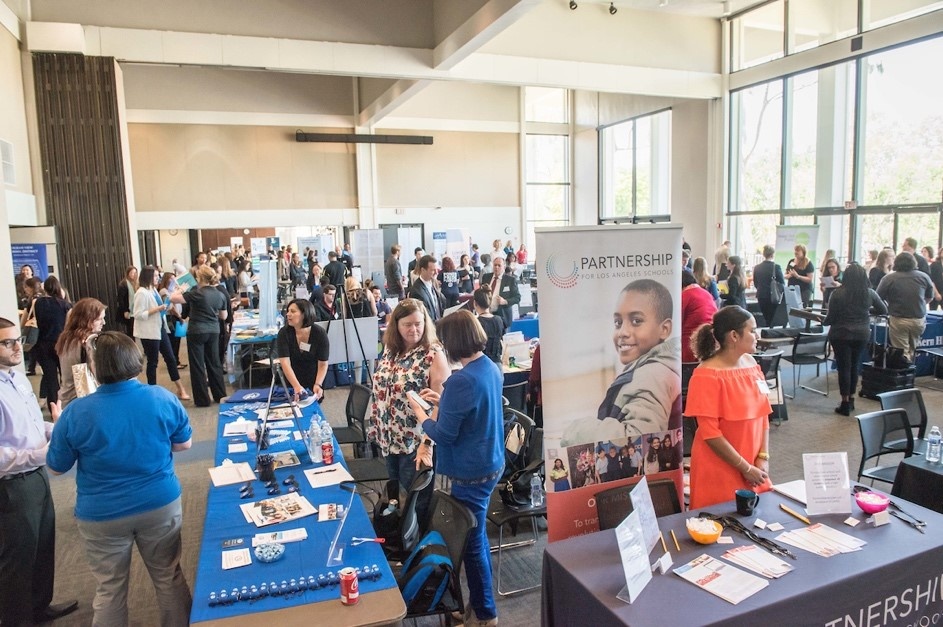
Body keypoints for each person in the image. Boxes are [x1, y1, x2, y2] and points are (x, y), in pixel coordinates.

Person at [47, 331, 192, 626]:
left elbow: (56, 467)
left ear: (95, 367)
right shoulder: (162, 397)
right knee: (168, 576)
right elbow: (183, 445)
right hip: (158, 502)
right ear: (136, 360)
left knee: (110, 589)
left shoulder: (75, 412)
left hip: (101, 513)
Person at [408, 309, 504, 627]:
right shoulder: (488, 367)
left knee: (473, 543)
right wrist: (443, 399)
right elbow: (472, 411)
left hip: (471, 471)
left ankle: (486, 613)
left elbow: (443, 434)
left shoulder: (461, 380)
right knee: (477, 538)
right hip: (490, 463)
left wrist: (421, 415)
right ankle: (480, 605)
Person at [0, 318, 79, 625]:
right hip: (12, 484)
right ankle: (17, 619)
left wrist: (53, 430)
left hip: (36, 474)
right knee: (17, 557)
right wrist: (40, 454)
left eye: (18, 339)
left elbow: (31, 424)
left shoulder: (17, 379)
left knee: (43, 544)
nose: (17, 346)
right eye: (7, 343)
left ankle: (39, 605)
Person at [368, 299, 450, 521]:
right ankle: (400, 542)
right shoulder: (390, 349)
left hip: (417, 442)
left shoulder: (433, 354)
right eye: (408, 324)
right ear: (396, 325)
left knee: (416, 504)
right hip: (389, 438)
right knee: (395, 498)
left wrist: (427, 443)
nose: (414, 329)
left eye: (419, 323)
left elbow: (442, 404)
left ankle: (417, 550)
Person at [685, 306, 772, 509]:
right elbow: (710, 432)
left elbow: (763, 415)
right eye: (752, 330)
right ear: (734, 335)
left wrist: (763, 457)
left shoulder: (751, 364)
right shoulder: (706, 374)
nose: (757, 335)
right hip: (720, 466)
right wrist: (745, 467)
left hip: (754, 463)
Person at [824, 264, 887, 415]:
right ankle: (851, 398)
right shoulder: (869, 293)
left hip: (840, 334)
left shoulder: (837, 294)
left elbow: (830, 318)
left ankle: (844, 402)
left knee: (843, 367)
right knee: (854, 366)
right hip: (861, 334)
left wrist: (823, 321)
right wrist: (866, 311)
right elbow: (883, 310)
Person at [170, 265, 228, 407]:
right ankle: (220, 394)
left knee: (198, 366)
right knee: (214, 363)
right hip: (213, 331)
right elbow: (223, 315)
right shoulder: (220, 294)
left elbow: (173, 298)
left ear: (199, 278)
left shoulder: (197, 293)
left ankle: (202, 400)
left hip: (197, 331)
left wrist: (180, 289)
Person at [133, 266, 189, 400]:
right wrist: (157, 309)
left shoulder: (153, 290)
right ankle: (152, 393)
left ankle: (180, 389)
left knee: (170, 358)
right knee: (153, 362)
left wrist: (167, 304)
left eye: (158, 275)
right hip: (149, 332)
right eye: (155, 276)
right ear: (147, 277)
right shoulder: (141, 292)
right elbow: (138, 314)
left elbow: (164, 307)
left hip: (160, 328)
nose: (157, 278)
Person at [876, 252, 934, 363]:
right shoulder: (923, 276)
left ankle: (905, 374)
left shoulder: (889, 278)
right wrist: (919, 304)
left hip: (898, 319)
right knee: (912, 349)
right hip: (918, 320)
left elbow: (878, 298)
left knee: (902, 352)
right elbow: (929, 297)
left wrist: (889, 305)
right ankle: (910, 369)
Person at [55, 298, 107, 409]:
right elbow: (98, 374)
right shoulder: (88, 341)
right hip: (84, 398)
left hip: (66, 396)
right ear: (87, 319)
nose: (104, 323)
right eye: (99, 319)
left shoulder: (66, 338)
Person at [276, 299, 330, 401]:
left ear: (304, 314)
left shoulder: (319, 334)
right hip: (291, 380)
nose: (288, 314)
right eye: (288, 311)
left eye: (293, 311)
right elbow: (285, 363)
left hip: (315, 379)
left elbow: (323, 363)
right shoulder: (284, 333)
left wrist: (318, 384)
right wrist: (296, 386)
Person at [33, 276, 72, 407]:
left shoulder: (37, 303)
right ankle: (67, 404)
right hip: (61, 344)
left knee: (50, 378)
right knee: (65, 377)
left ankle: (54, 407)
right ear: (58, 288)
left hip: (43, 344)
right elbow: (68, 327)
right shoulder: (66, 305)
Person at [681, 270, 717, 362]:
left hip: (690, 345)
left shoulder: (685, 296)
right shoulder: (706, 293)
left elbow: (676, 321)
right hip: (710, 341)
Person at [479, 256, 520, 328]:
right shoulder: (486, 277)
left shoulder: (510, 280)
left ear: (504, 266)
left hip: (502, 317)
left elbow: (517, 298)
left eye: (499, 265)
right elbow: (481, 293)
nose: (496, 267)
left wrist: (505, 301)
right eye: (495, 265)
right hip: (487, 315)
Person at [752, 245, 785, 327]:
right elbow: (782, 282)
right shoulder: (776, 267)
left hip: (761, 295)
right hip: (772, 296)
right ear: (772, 255)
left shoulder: (757, 267)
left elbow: (756, 282)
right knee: (772, 316)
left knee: (765, 315)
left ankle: (766, 329)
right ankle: (770, 331)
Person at [408, 255, 447, 322]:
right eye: (433, 270)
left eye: (437, 270)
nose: (436, 273)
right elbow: (423, 316)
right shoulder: (417, 291)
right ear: (423, 270)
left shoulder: (433, 283)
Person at [473, 286, 505, 364]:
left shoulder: (476, 323)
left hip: (482, 364)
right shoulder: (499, 320)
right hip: (498, 364)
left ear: (475, 303)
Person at [116, 266, 137, 336]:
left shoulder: (135, 283)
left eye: (135, 273)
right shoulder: (123, 284)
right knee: (130, 330)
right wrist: (125, 311)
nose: (133, 274)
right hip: (127, 311)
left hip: (134, 311)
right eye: (132, 273)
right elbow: (120, 299)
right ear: (128, 273)